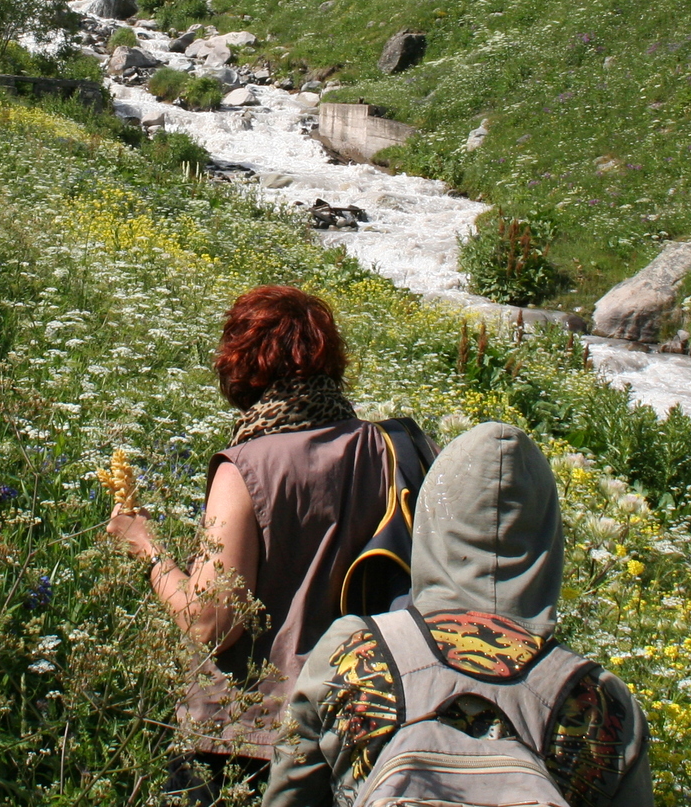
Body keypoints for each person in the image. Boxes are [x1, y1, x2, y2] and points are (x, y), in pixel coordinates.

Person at [107, 286, 430, 806]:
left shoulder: (247, 466)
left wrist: (146, 548)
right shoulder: (391, 449)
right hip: (357, 725)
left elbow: (212, 622)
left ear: (242, 365)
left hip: (245, 736)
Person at [262, 421, 653, 807]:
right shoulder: (602, 701)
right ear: (547, 537)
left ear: (431, 518)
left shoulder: (353, 648)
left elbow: (290, 794)